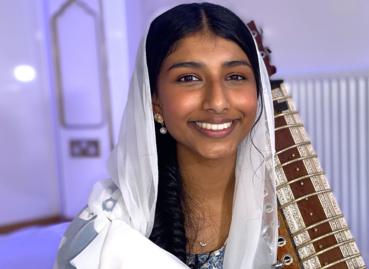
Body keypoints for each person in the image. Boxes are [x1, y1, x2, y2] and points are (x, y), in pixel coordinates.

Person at [54, 2, 279, 269]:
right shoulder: (108, 232)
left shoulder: (287, 213)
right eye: (189, 78)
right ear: (155, 101)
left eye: (235, 76)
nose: (217, 102)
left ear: (258, 91)